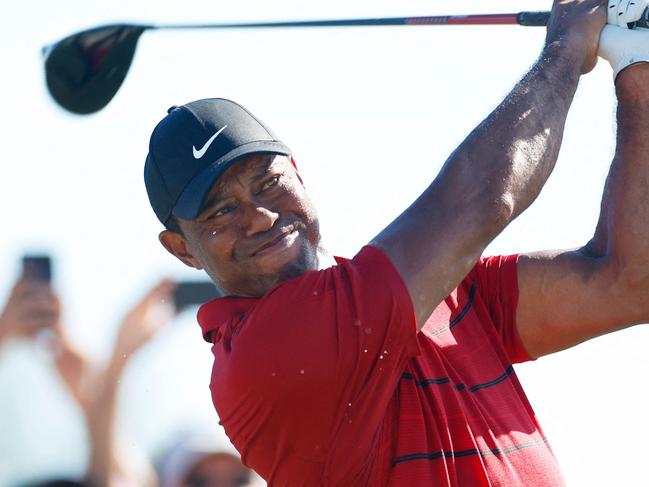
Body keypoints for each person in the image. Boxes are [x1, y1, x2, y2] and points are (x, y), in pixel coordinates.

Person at [142, 0, 649, 484]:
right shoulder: (262, 355)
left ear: (297, 172)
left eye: (267, 182)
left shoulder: (434, 291)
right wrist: (566, 44)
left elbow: (629, 280)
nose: (258, 216)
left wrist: (636, 63)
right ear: (182, 250)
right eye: (221, 212)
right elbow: (482, 196)